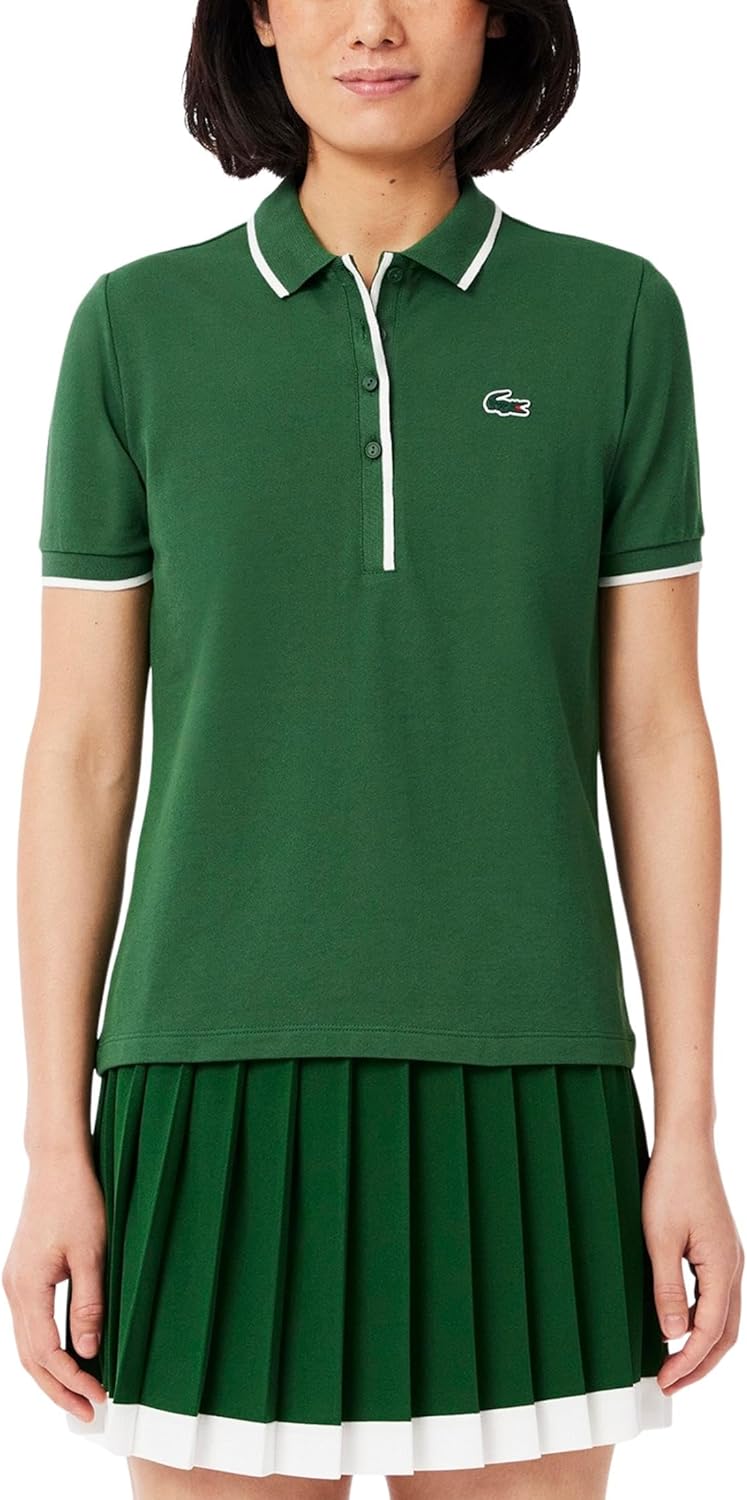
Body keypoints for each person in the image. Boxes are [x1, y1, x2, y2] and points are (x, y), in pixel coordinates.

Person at [3, 2, 743, 1498]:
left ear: (500, 13)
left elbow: (660, 732)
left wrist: (689, 1130)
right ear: (262, 17)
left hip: (532, 1083)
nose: (376, 24)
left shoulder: (615, 316)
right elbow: (80, 751)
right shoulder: (135, 329)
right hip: (204, 1085)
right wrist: (54, 1148)